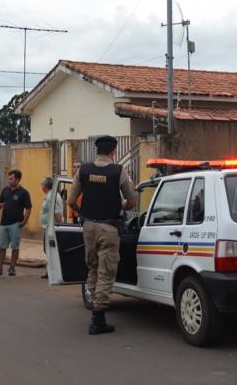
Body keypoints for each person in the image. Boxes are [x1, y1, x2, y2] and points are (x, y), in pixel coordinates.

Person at [67, 135, 137, 335]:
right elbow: (132, 200)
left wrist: (84, 212)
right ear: (113, 152)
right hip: (109, 228)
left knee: (93, 267)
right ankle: (98, 319)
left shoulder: (84, 170)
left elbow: (71, 201)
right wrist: (121, 205)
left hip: (88, 226)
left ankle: (93, 300)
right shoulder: (118, 170)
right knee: (107, 271)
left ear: (97, 151)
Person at [0, 169, 32, 276]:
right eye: (9, 178)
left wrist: (24, 221)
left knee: (15, 247)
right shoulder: (5, 190)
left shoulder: (24, 192)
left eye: (11, 179)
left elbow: (28, 208)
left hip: (16, 224)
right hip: (4, 223)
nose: (9, 180)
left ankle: (12, 268)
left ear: (18, 179)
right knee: (1, 247)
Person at [39, 177, 63, 279]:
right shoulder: (50, 195)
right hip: (49, 227)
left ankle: (54, 271)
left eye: (42, 184)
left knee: (49, 249)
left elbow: (57, 213)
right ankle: (51, 271)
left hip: (51, 228)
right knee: (48, 250)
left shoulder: (51, 197)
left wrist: (58, 226)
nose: (41, 186)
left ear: (45, 186)